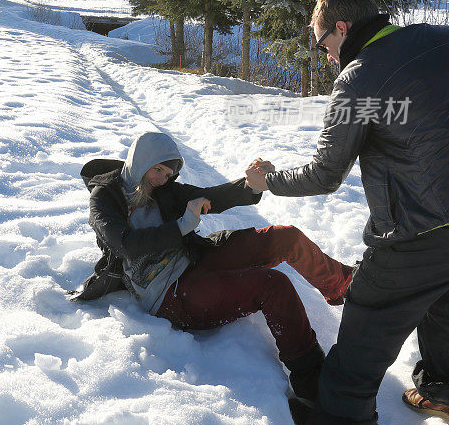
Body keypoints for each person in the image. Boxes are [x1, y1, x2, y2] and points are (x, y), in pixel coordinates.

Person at [245, 0, 449, 425]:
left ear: (342, 27)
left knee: (361, 340)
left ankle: (341, 421)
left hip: (414, 236)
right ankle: (441, 391)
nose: (327, 57)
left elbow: (325, 175)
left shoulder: (360, 78)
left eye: (324, 45)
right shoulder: (438, 39)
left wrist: (267, 180)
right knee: (443, 303)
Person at [74, 130, 353, 403]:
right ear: (140, 161)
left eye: (167, 175)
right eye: (156, 170)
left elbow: (210, 197)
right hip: (168, 294)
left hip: (195, 260)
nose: (160, 180)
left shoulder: (164, 191)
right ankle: (313, 381)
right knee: (273, 284)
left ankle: (344, 285)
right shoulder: (104, 197)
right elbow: (125, 244)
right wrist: (181, 226)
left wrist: (251, 185)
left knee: (285, 237)